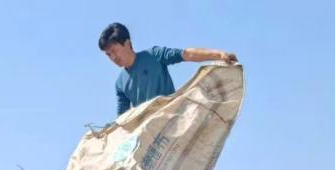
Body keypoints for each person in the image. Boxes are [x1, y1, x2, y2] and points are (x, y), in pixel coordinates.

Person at [98, 22, 238, 116]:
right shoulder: (120, 84)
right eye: (108, 54)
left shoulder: (154, 55)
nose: (113, 57)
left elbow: (186, 54)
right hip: (148, 134)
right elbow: (122, 118)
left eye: (114, 50)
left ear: (127, 43)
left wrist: (218, 55)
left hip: (171, 119)